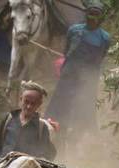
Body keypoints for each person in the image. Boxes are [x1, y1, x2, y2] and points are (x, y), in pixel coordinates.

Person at [46, 0, 111, 138]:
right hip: (70, 72)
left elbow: (101, 56)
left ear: (101, 18)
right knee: (61, 100)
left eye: (96, 15)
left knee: (84, 104)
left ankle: (81, 133)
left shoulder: (105, 38)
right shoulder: (74, 30)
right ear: (85, 14)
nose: (92, 18)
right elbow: (66, 51)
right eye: (90, 14)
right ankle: (52, 126)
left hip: (89, 76)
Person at [0, 81, 56, 167]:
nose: (28, 106)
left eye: (33, 103)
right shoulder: (8, 119)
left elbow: (47, 155)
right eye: (26, 101)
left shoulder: (41, 128)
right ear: (21, 99)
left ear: (39, 104)